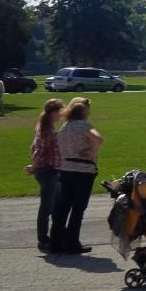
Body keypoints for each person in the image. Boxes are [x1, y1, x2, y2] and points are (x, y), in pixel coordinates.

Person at [50, 97, 103, 254]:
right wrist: (92, 151)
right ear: (84, 112)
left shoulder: (65, 126)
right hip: (83, 171)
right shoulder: (84, 125)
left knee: (62, 207)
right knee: (78, 209)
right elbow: (98, 139)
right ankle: (72, 242)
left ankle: (56, 242)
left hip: (66, 169)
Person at [25, 98, 64, 252]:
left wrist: (34, 165)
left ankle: (56, 236)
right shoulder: (47, 130)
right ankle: (43, 240)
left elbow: (33, 147)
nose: (61, 115)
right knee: (47, 207)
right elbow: (40, 152)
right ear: (53, 112)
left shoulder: (44, 126)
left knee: (55, 206)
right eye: (60, 112)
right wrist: (33, 167)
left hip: (50, 170)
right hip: (48, 171)